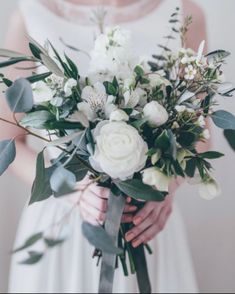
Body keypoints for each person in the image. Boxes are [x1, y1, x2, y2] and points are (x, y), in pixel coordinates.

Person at [0, 0, 207, 292]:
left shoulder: (186, 14)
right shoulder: (31, 13)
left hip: (146, 219)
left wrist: (168, 184)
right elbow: (6, 140)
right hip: (63, 217)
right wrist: (70, 188)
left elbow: (199, 133)